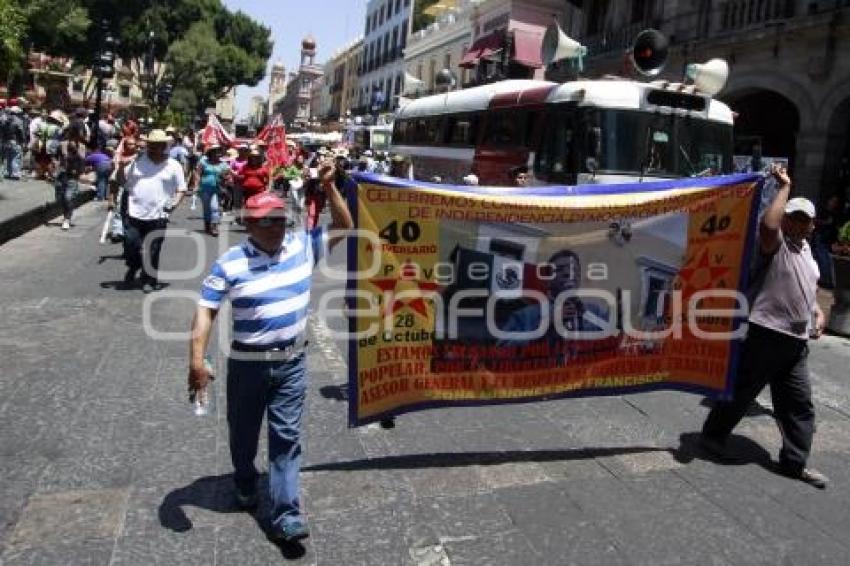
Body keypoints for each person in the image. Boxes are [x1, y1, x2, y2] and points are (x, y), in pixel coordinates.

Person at [188, 164, 354, 543]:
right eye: (266, 222)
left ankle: (286, 513)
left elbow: (345, 225)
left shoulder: (301, 247)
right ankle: (245, 479)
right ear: (248, 225)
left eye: (279, 219)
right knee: (243, 435)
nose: (275, 227)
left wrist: (329, 187)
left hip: (292, 363)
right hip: (247, 365)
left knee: (286, 438)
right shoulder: (230, 263)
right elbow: (205, 309)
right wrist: (196, 360)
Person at [701, 164, 829, 489]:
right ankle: (712, 437)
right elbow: (768, 226)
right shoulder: (776, 244)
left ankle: (794, 462)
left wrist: (816, 310)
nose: (797, 223)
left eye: (804, 219)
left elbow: (806, 287)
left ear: (812, 226)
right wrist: (783, 188)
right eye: (792, 217)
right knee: (743, 390)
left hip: (796, 343)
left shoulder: (809, 254)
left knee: (799, 404)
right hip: (765, 332)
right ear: (786, 218)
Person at [117, 129, 187, 289]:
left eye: (158, 145)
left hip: (159, 215)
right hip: (135, 212)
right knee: (131, 244)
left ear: (164, 146)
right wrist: (120, 167)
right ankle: (134, 265)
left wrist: (174, 204)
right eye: (151, 145)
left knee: (153, 248)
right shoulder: (137, 162)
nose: (154, 148)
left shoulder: (174, 165)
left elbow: (181, 189)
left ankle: (148, 279)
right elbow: (123, 182)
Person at [194, 144, 230, 237]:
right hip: (205, 189)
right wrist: (196, 186)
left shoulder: (223, 164)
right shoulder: (203, 162)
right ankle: (207, 225)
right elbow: (198, 174)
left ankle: (214, 227)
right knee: (207, 209)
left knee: (215, 207)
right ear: (210, 153)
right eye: (215, 151)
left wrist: (225, 178)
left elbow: (227, 176)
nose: (217, 153)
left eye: (218, 151)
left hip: (217, 189)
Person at [54, 128, 87, 230]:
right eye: (71, 137)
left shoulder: (81, 147)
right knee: (60, 198)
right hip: (61, 175)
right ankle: (66, 213)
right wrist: (55, 165)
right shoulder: (62, 145)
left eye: (76, 138)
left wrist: (75, 151)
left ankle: (66, 219)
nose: (73, 140)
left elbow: (82, 161)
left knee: (68, 197)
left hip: (73, 176)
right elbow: (55, 157)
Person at [2, 105, 26, 179]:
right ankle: (15, 173)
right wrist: (23, 141)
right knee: (15, 157)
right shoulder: (18, 121)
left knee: (8, 157)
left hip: (6, 141)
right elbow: (21, 132)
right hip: (15, 141)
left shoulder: (5, 119)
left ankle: (8, 172)